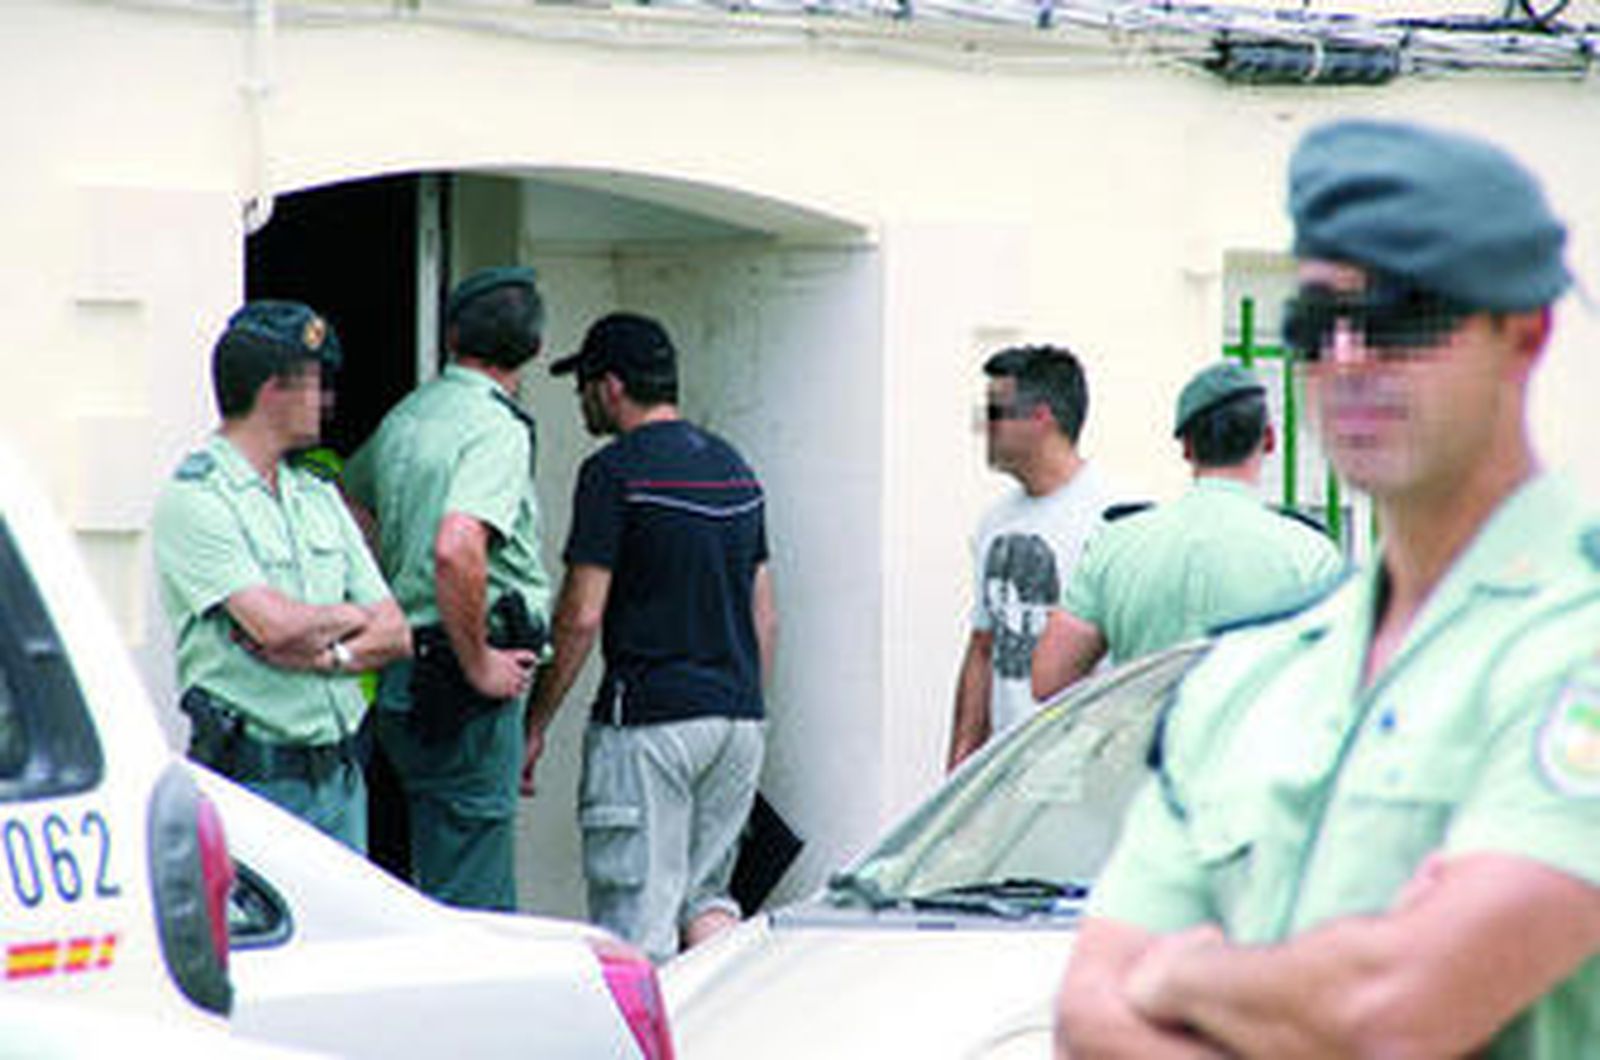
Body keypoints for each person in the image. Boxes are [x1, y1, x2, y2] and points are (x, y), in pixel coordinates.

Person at [1055, 119, 1600, 1059]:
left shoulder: (1575, 642)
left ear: (1525, 331)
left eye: (1400, 315)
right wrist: (1329, 992)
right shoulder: (1253, 672)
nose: (1347, 358)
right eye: (1314, 325)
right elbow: (1089, 1017)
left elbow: (1396, 1009)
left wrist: (1187, 975)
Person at [523, 312, 777, 964]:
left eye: (582, 384)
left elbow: (582, 614)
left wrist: (536, 722)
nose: (580, 399)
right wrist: (743, 701)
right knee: (710, 905)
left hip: (650, 725)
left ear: (611, 387)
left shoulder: (613, 472)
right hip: (737, 722)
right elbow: (765, 617)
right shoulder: (735, 468)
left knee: (637, 922)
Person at [153, 300, 410, 851]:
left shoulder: (315, 495)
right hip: (257, 784)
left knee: (346, 938)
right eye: (316, 383)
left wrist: (331, 652)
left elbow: (396, 631)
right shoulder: (198, 498)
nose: (327, 400)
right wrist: (348, 616)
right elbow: (273, 627)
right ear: (274, 390)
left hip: (341, 780)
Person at [344, 267, 551, 911]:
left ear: (454, 335)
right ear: (534, 347)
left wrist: (379, 591)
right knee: (474, 895)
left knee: (432, 865)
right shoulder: (496, 429)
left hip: (409, 672)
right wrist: (480, 662)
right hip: (464, 683)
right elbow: (458, 547)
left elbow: (347, 502)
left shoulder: (411, 412)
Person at [1031, 360, 1345, 700]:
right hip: (1255, 750)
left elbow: (1050, 680)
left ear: (1186, 447)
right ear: (1268, 439)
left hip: (1149, 750)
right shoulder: (1310, 554)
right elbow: (1341, 688)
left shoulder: (1116, 543)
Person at [947, 345, 1127, 771]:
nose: (983, 429)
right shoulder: (995, 522)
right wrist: (960, 765)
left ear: (1041, 418)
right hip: (1010, 770)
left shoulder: (1114, 519)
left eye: (995, 414)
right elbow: (982, 648)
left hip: (1086, 764)